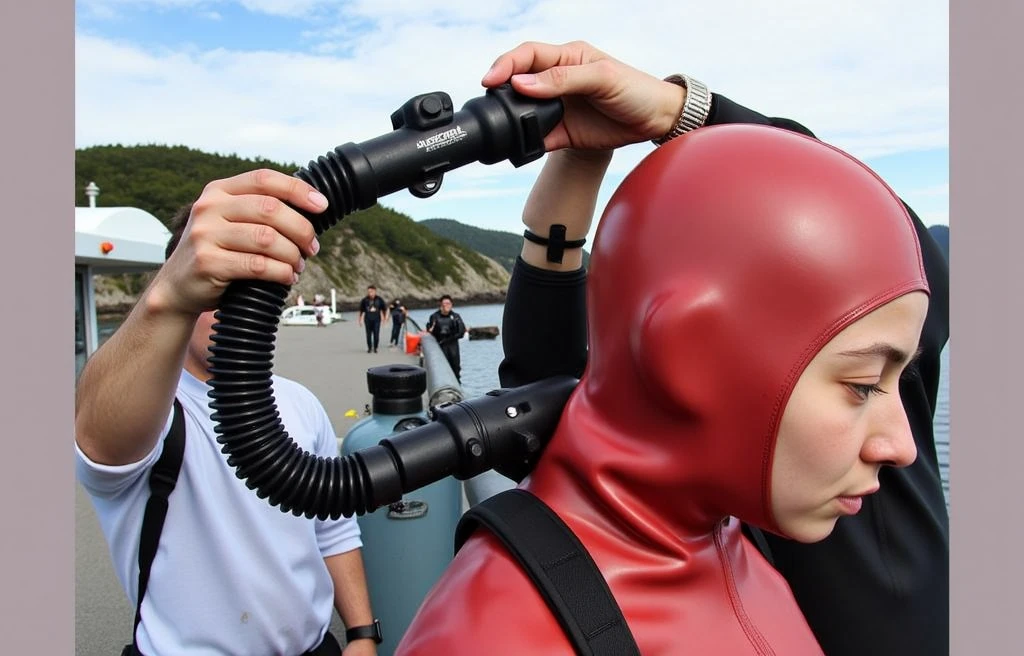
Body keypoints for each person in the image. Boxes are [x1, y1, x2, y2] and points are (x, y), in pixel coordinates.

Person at [397, 41, 948, 655]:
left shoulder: (753, 515)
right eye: (862, 385)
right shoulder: (501, 633)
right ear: (693, 360)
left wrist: (678, 111)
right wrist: (599, 156)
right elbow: (567, 382)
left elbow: (888, 248)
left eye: (897, 377)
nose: (901, 445)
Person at [75, 187, 381, 656]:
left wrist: (361, 632)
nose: (236, 311)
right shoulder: (151, 411)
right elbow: (99, 433)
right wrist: (170, 294)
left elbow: (333, 527)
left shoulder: (300, 403)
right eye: (218, 289)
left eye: (254, 294)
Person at [424, 295, 467, 382]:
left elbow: (461, 332)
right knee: (441, 368)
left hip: (453, 346)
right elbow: (430, 331)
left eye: (448, 303)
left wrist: (450, 338)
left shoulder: (456, 316)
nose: (446, 306)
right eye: (444, 303)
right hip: (440, 346)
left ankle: (457, 385)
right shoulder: (434, 317)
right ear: (440, 305)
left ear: (451, 305)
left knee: (456, 369)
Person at [357, 286, 388, 353]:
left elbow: (384, 309)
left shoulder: (379, 299)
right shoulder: (365, 300)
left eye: (371, 291)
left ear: (374, 291)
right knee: (368, 335)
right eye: (368, 292)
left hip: (376, 319)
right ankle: (369, 348)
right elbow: (361, 310)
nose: (370, 293)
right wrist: (360, 320)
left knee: (376, 334)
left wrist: (384, 319)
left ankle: (375, 347)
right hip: (368, 319)